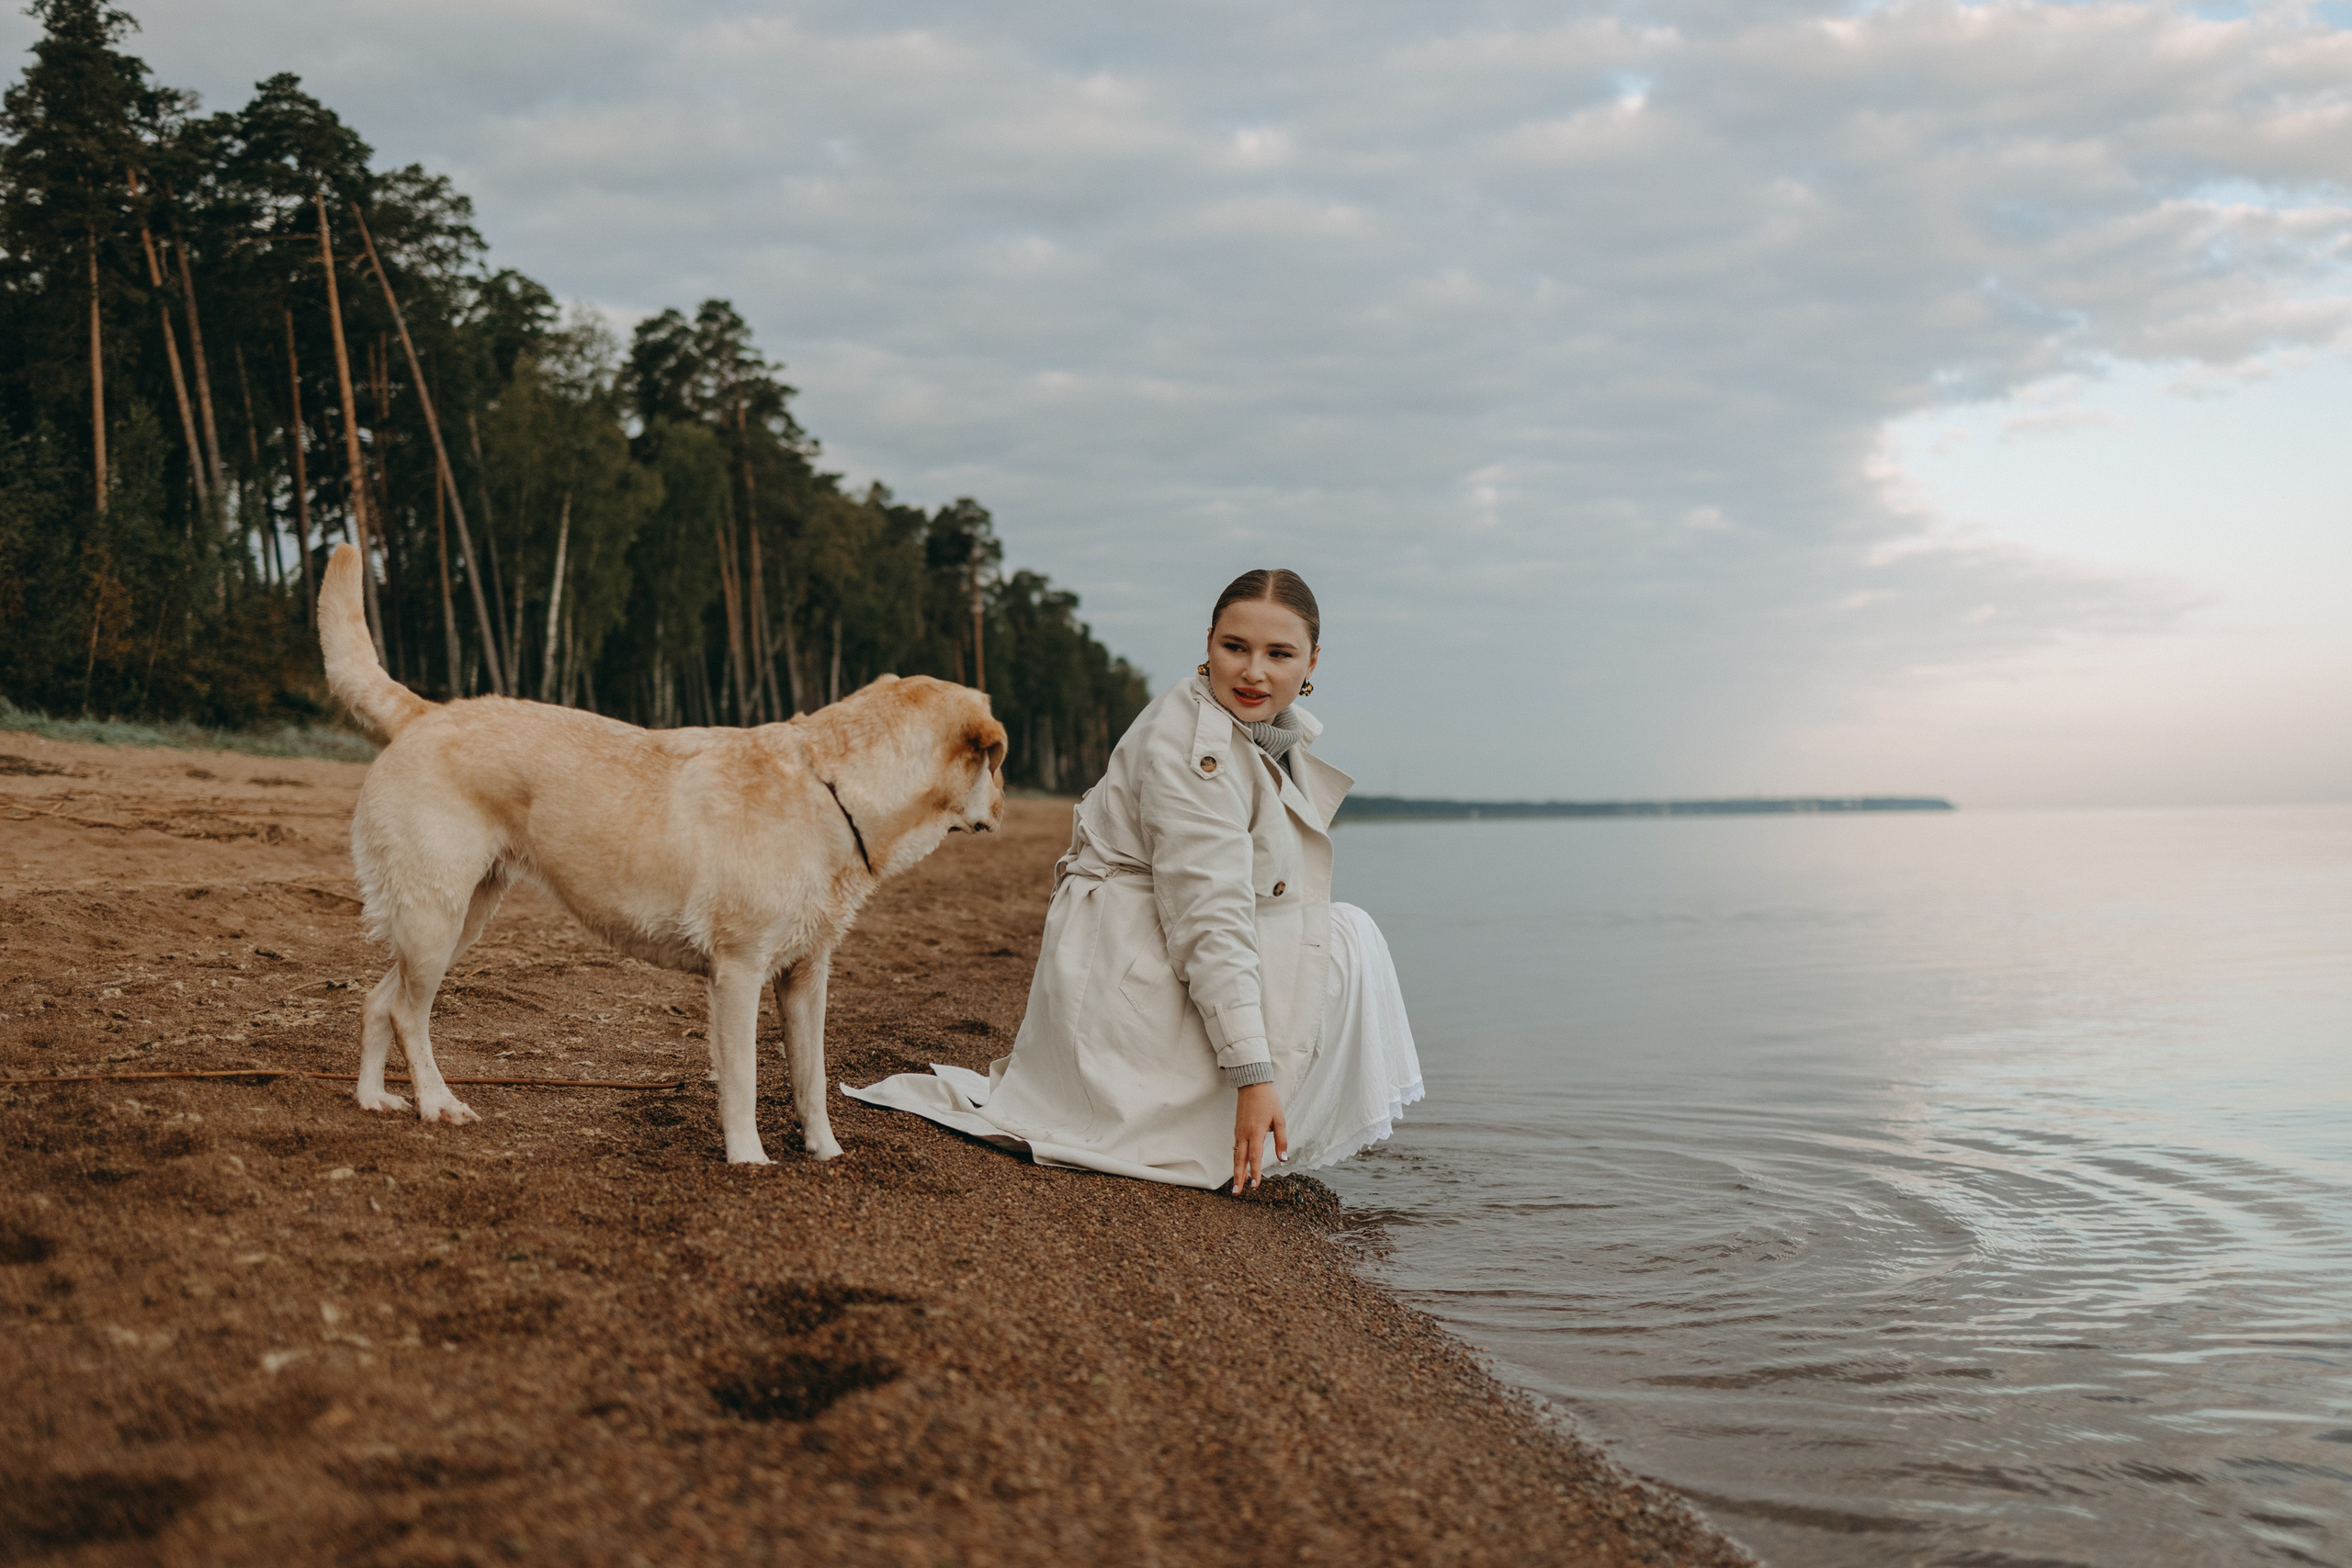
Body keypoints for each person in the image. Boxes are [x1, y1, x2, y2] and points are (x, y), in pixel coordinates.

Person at [846, 569, 1422, 1192]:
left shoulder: (1254, 729)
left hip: (1130, 943)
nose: (1254, 671)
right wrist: (1253, 1075)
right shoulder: (1194, 749)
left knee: (1334, 932)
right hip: (1125, 969)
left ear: (1311, 660)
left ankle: (1276, 1121)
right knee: (1341, 942)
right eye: (1236, 647)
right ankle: (1265, 1118)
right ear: (1208, 643)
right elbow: (1208, 919)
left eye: (1278, 654)